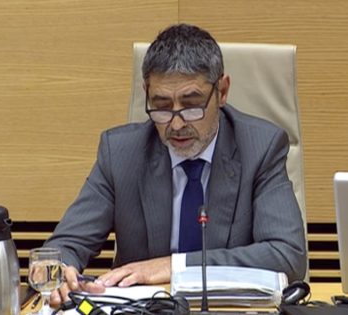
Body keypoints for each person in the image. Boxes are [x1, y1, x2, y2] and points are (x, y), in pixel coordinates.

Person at [45, 23, 307, 306]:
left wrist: (174, 266)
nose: (177, 123)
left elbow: (287, 255)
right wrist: (58, 271)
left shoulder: (261, 148)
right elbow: (65, 247)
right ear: (146, 92)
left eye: (191, 104)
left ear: (222, 91)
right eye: (162, 106)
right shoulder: (120, 153)